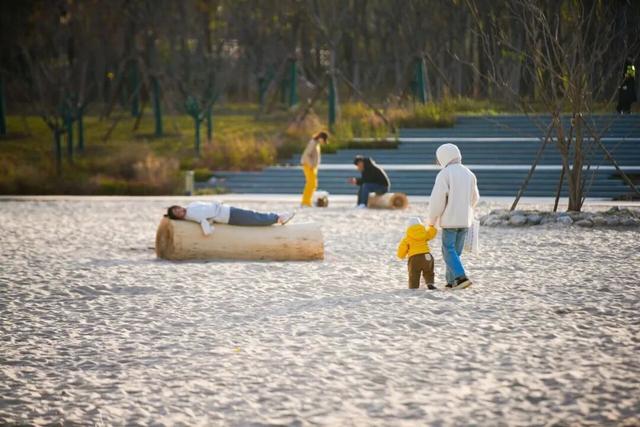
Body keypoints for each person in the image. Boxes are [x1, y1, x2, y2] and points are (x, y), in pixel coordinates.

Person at [427, 143, 479, 290]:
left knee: (448, 250)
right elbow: (475, 198)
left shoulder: (444, 174)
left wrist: (432, 220)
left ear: (443, 157)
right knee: (455, 253)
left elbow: (437, 200)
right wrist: (467, 210)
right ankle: (451, 282)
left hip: (450, 221)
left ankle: (461, 278)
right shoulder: (469, 173)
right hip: (465, 221)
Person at [166, 201, 295, 236]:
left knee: (252, 215)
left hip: (226, 210)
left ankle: (277, 217)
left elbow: (206, 209)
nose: (179, 211)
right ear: (178, 217)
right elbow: (203, 222)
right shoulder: (191, 215)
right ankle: (279, 218)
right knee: (253, 217)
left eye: (177, 209)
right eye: (177, 213)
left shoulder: (190, 207)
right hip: (228, 216)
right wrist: (209, 230)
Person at [397, 217, 437, 290]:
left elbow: (402, 248)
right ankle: (430, 283)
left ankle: (413, 286)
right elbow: (431, 233)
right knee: (429, 271)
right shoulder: (424, 233)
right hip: (427, 256)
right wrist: (432, 227)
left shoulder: (407, 238)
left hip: (414, 258)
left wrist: (400, 256)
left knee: (414, 273)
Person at [300, 131, 329, 207]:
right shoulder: (313, 143)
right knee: (311, 184)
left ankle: (307, 201)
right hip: (309, 166)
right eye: (324, 140)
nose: (323, 142)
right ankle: (305, 202)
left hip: (312, 166)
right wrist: (311, 165)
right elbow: (307, 154)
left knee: (313, 184)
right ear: (321, 138)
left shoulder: (316, 143)